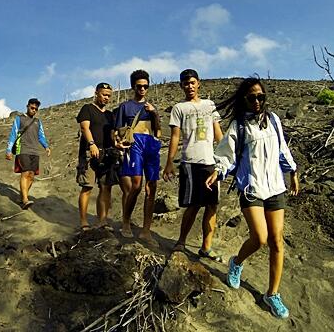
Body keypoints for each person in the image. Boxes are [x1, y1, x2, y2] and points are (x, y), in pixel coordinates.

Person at [205, 77, 299, 319]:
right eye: (251, 97)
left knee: (277, 240)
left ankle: (272, 294)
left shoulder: (274, 120)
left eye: (260, 96)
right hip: (251, 188)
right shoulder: (239, 125)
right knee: (260, 238)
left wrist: (293, 173)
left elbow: (282, 150)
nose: (257, 101)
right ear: (244, 99)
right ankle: (237, 262)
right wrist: (218, 170)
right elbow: (226, 153)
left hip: (276, 187)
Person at [163, 69, 224, 260]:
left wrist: (226, 157)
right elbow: (175, 136)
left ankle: (206, 247)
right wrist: (169, 163)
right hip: (190, 161)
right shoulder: (179, 108)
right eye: (185, 83)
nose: (189, 86)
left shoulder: (209, 105)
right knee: (194, 204)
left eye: (192, 82)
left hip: (210, 162)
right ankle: (181, 241)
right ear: (181, 86)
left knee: (212, 205)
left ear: (199, 83)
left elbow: (218, 133)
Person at [114, 70, 161, 244]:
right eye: (139, 86)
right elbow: (117, 131)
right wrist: (117, 143)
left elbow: (159, 131)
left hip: (151, 145)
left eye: (145, 86)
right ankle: (126, 222)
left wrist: (155, 113)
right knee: (136, 185)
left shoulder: (151, 107)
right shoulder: (125, 107)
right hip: (135, 146)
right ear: (133, 86)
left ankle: (146, 230)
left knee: (152, 187)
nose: (142, 89)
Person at [76, 83, 119, 231]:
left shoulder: (110, 115)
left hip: (106, 154)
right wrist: (92, 144)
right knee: (87, 187)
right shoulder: (87, 108)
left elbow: (112, 134)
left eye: (108, 95)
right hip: (90, 153)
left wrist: (117, 145)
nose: (106, 98)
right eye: (103, 94)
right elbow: (84, 127)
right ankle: (83, 221)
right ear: (96, 93)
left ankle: (102, 220)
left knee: (105, 187)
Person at [5, 98, 51, 209]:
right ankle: (25, 199)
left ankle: (22, 196)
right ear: (27, 106)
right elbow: (13, 134)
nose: (34, 110)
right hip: (23, 150)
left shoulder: (37, 122)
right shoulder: (19, 119)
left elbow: (41, 136)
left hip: (35, 152)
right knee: (25, 173)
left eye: (36, 109)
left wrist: (46, 147)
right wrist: (9, 150)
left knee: (31, 175)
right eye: (32, 108)